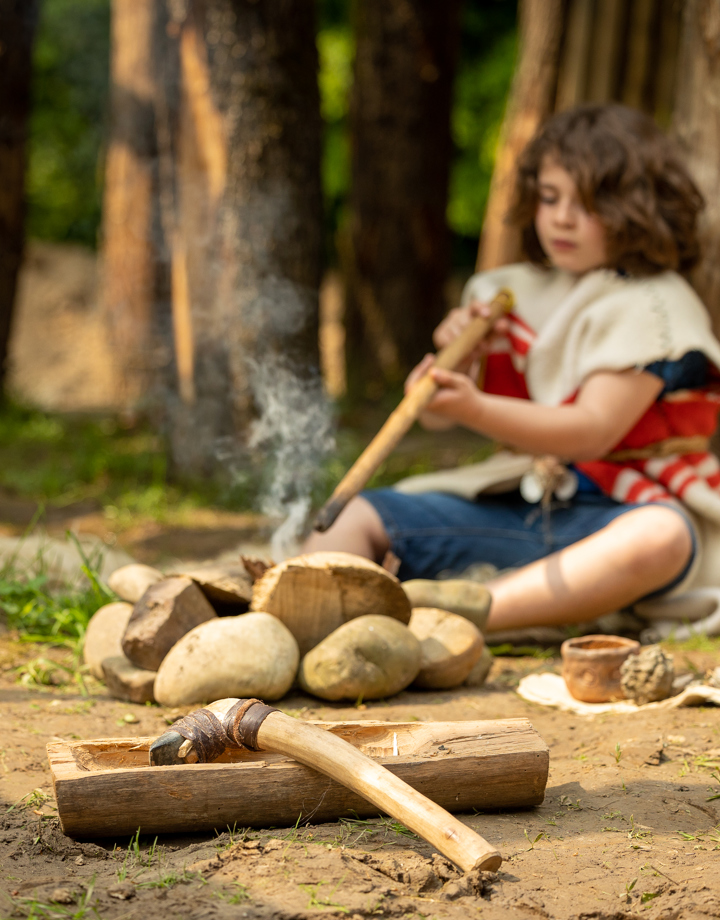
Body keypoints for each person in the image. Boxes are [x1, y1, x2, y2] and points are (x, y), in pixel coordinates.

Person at [305, 104, 720, 634]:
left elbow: (591, 432)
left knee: (660, 538)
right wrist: (454, 377)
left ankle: (456, 616)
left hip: (624, 509)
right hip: (520, 503)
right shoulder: (507, 290)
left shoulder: (656, 305)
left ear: (638, 208)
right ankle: (295, 613)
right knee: (357, 516)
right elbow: (437, 420)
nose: (561, 218)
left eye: (587, 204)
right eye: (549, 198)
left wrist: (474, 406)